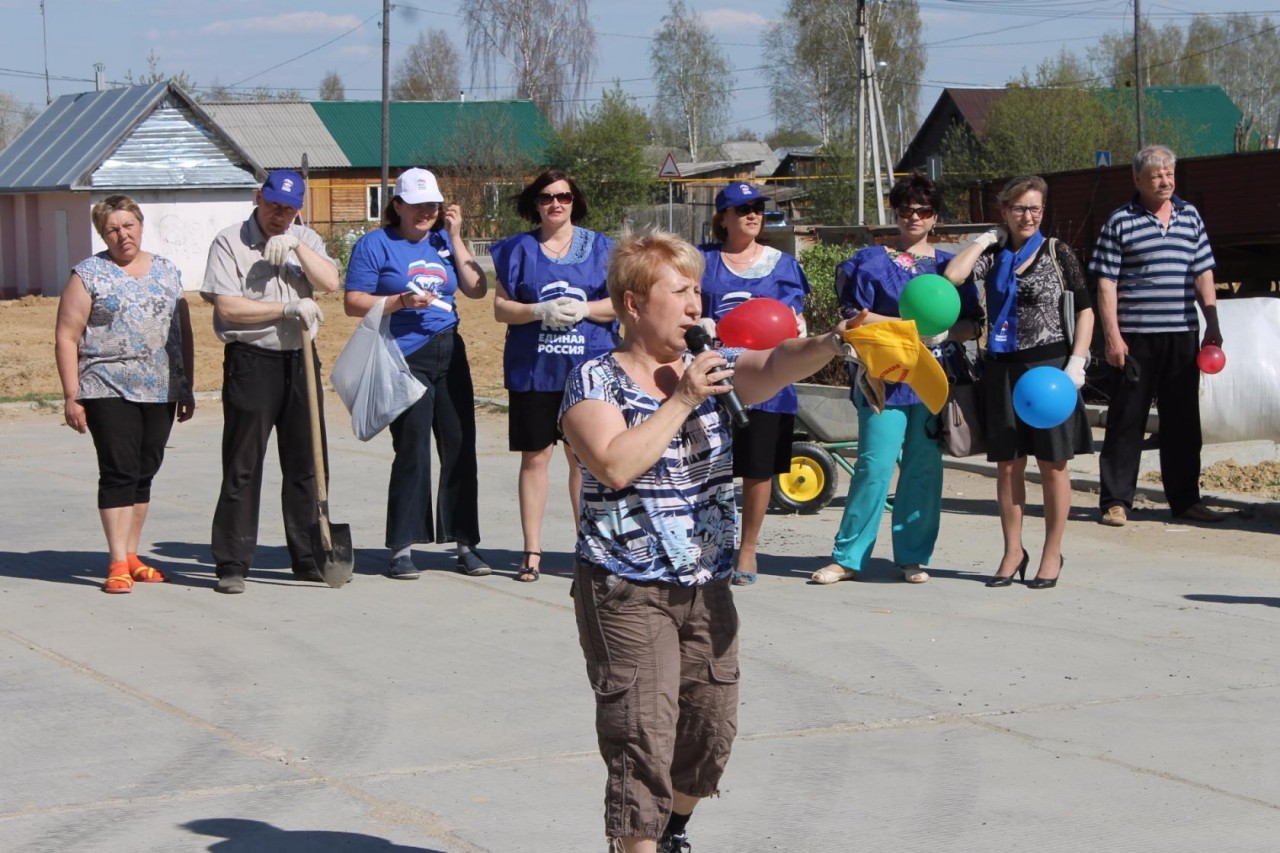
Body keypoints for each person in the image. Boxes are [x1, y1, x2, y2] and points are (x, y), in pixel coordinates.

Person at [560, 229, 863, 853]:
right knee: (641, 735)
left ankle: (670, 833)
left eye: (699, 289)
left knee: (708, 732)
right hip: (626, 586)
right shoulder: (594, 380)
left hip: (706, 584)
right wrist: (685, 396)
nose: (698, 304)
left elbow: (777, 364)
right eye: (680, 291)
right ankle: (637, 840)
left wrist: (838, 339)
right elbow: (616, 465)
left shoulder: (714, 365)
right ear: (634, 305)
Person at [811, 172, 983, 586]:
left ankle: (913, 556)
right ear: (896, 213)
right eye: (906, 210)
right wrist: (910, 326)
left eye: (923, 210)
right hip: (882, 379)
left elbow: (973, 325)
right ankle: (848, 557)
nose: (914, 217)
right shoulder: (868, 262)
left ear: (935, 217)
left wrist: (943, 332)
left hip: (932, 379)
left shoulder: (949, 267)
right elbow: (852, 319)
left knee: (924, 470)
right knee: (874, 466)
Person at [944, 175, 1095, 589]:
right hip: (1002, 367)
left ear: (1043, 211)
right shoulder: (993, 256)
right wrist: (982, 240)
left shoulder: (1056, 251)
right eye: (1018, 209)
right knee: (1008, 466)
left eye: (1035, 209)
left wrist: (1077, 362)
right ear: (1004, 212)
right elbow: (954, 277)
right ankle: (1013, 550)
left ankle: (1051, 552)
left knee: (1053, 464)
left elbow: (1085, 309)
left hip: (1049, 369)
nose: (1027, 216)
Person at [344, 168, 490, 579]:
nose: (426, 212)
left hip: (449, 350)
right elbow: (353, 302)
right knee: (412, 450)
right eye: (417, 205)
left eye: (432, 205)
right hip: (403, 355)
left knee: (460, 448)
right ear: (398, 206)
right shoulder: (376, 244)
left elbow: (477, 289)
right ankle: (402, 548)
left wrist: (457, 237)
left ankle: (465, 544)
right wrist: (400, 302)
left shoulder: (444, 242)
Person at [201, 170, 340, 594]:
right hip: (252, 359)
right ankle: (233, 561)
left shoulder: (306, 239)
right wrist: (285, 309)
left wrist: (298, 245)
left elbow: (331, 282)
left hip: (300, 359)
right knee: (243, 464)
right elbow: (228, 308)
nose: (280, 215)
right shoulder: (230, 241)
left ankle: (309, 556)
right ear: (258, 197)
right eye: (274, 205)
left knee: (307, 463)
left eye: (289, 208)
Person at [54, 195, 195, 593]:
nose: (122, 235)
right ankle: (116, 560)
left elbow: (182, 331)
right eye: (113, 229)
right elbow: (67, 336)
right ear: (103, 234)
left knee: (145, 469)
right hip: (106, 386)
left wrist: (187, 385)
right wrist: (71, 394)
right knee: (118, 468)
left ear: (140, 225)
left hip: (161, 387)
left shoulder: (167, 272)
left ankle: (132, 554)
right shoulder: (88, 275)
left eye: (128, 225)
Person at [491, 169, 616, 582]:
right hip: (534, 370)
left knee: (584, 460)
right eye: (546, 197)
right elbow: (500, 308)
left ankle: (588, 547)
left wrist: (586, 309)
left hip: (589, 370)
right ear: (536, 203)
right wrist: (536, 311)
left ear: (574, 200)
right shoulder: (517, 249)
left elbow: (622, 303)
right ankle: (532, 551)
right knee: (535, 457)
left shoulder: (603, 248)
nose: (555, 204)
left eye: (563, 196)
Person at [1089, 145, 1224, 527]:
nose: (1164, 182)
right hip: (1135, 338)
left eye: (1169, 175)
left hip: (1182, 334)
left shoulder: (1190, 216)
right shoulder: (1120, 221)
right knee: (1126, 419)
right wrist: (1112, 337)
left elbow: (1203, 272)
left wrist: (1212, 323)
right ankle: (1115, 501)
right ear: (1137, 180)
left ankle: (1185, 501)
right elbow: (1106, 284)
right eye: (1156, 176)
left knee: (1182, 420)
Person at [697, 182, 810, 586]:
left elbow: (793, 317)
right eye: (741, 208)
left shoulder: (782, 264)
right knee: (708, 467)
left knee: (758, 468)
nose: (752, 214)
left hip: (769, 380)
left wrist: (798, 329)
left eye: (757, 208)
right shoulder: (700, 260)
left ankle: (748, 549)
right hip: (713, 380)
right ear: (722, 217)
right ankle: (708, 545)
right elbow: (681, 305)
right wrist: (698, 322)